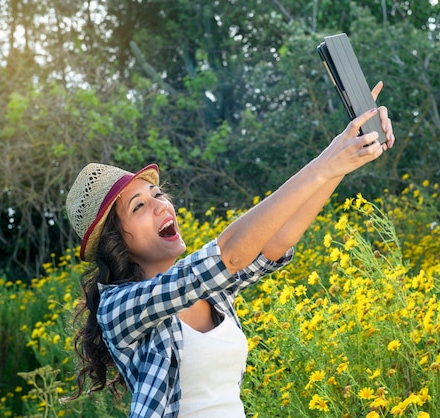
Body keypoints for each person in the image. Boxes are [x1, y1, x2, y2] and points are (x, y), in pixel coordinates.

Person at [63, 82, 395, 417]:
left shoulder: (213, 293)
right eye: (139, 207)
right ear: (116, 241)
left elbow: (276, 241)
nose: (161, 206)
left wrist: (343, 158)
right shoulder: (119, 307)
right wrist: (323, 163)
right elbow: (229, 255)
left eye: (158, 195)